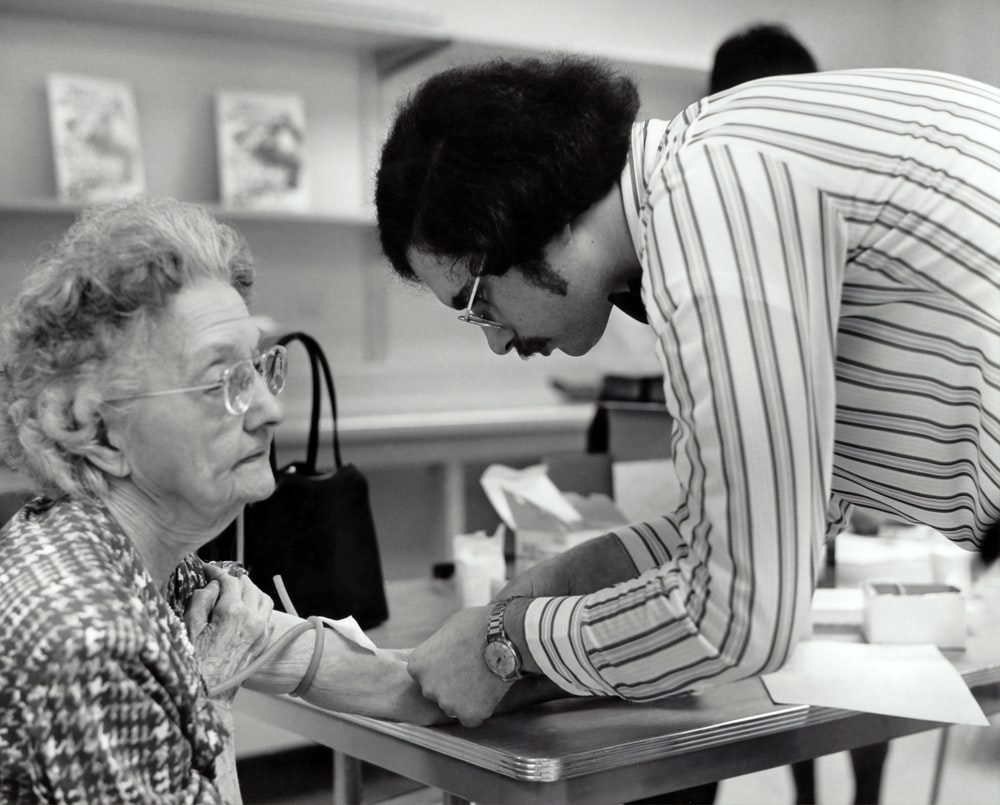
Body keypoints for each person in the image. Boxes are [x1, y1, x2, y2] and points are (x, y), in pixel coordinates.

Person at [374, 52, 1000, 754]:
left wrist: (507, 642)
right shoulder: (705, 178)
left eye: (476, 300)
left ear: (524, 208)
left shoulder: (713, 204)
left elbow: (743, 612)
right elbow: (768, 515)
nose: (494, 340)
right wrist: (567, 580)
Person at [0, 196, 443, 804]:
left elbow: (371, 679)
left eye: (259, 368)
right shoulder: (91, 645)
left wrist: (517, 656)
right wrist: (208, 699)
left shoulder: (136, 558)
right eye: (219, 382)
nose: (269, 410)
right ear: (95, 429)